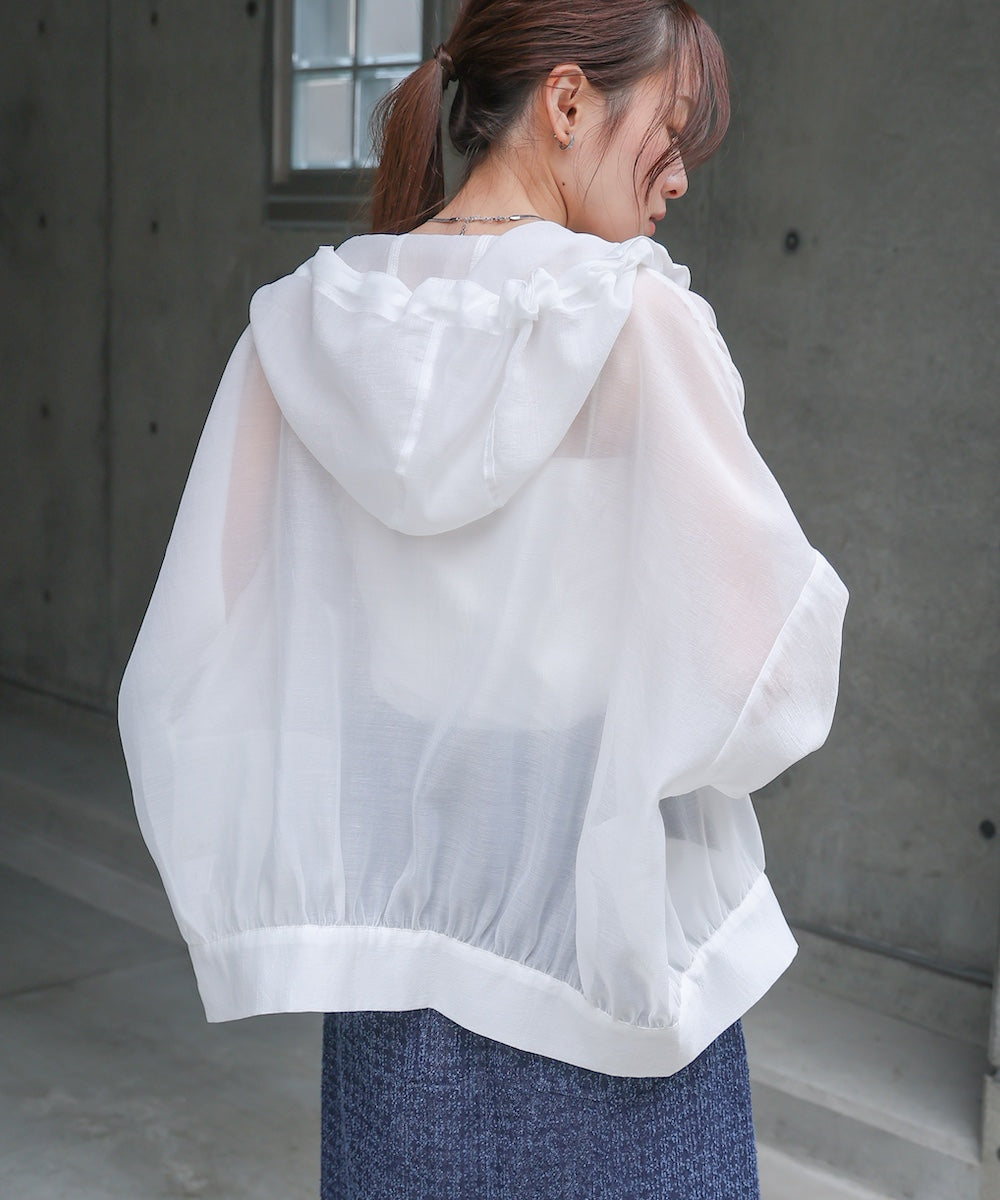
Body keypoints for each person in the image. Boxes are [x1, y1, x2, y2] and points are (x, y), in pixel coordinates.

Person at [118, 1, 849, 1196]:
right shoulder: (630, 319)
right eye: (668, 132)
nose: (677, 178)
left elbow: (208, 649)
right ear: (566, 102)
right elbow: (756, 672)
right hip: (603, 960)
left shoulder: (303, 327)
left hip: (388, 986)